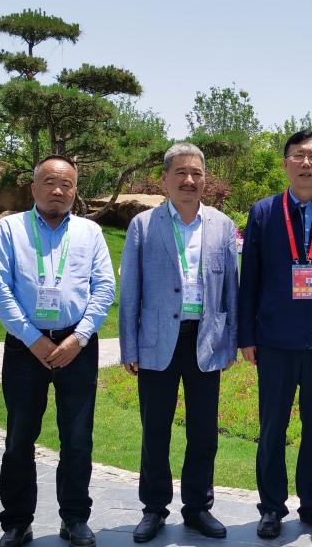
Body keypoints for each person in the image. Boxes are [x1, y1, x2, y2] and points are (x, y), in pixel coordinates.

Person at [0, 155, 115, 547]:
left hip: (77, 346)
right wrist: (33, 339)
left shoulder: (90, 232)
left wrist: (80, 337)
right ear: (33, 187)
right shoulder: (10, 229)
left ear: (75, 191)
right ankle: (16, 522)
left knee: (77, 438)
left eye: (66, 184)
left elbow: (104, 288)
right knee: (19, 437)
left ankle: (74, 518)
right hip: (25, 348)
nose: (58, 190)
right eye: (49, 182)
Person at [237, 129, 312, 539]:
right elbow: (249, 278)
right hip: (274, 340)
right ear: (286, 163)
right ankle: (271, 508)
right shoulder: (264, 212)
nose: (306, 163)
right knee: (273, 427)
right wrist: (246, 335)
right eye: (298, 156)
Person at [119, 143, 239, 542]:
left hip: (205, 340)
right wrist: (129, 347)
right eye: (181, 173)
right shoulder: (144, 225)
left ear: (205, 179)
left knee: (204, 432)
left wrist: (231, 341)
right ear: (165, 179)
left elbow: (231, 289)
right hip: (157, 342)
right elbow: (130, 290)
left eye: (197, 173)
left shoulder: (222, 225)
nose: (189, 180)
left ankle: (198, 508)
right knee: (155, 430)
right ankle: (154, 509)